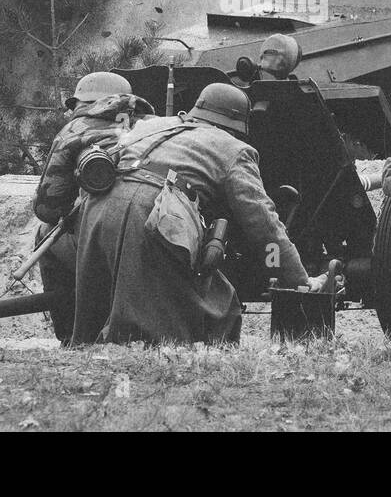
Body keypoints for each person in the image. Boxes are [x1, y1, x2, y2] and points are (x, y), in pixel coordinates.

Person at [64, 82, 322, 344]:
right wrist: (294, 279)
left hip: (98, 207)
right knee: (220, 306)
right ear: (236, 124)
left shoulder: (149, 126)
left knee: (97, 305)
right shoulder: (234, 149)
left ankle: (86, 347)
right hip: (155, 212)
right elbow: (263, 227)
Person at [31, 71, 155, 341]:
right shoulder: (156, 125)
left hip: (104, 237)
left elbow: (47, 208)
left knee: (45, 234)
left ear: (81, 103)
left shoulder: (74, 132)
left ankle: (71, 336)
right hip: (158, 232)